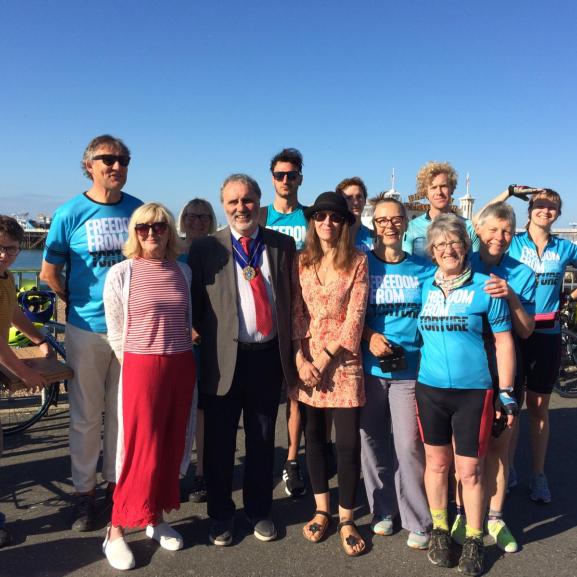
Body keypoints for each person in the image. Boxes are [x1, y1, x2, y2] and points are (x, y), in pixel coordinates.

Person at [40, 135, 142, 530]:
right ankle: (84, 494)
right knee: (85, 416)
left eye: (123, 159)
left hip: (132, 330)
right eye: (108, 160)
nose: (116, 166)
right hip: (86, 330)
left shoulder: (137, 210)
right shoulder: (70, 213)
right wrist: (79, 302)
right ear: (89, 165)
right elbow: (49, 273)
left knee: (122, 413)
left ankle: (117, 485)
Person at [189, 173, 297, 546]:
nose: (241, 208)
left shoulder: (282, 245)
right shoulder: (206, 249)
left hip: (266, 358)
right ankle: (220, 515)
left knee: (263, 438)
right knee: (219, 444)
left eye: (247, 200)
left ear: (258, 201)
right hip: (221, 360)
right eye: (233, 201)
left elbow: (292, 300)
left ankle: (259, 510)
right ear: (224, 205)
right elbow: (193, 308)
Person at [416, 214, 515, 576]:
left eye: (455, 243)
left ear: (466, 246)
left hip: (474, 392)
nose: (448, 249)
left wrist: (506, 392)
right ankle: (441, 529)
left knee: (470, 470)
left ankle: (474, 537)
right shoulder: (423, 286)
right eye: (440, 245)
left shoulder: (486, 287)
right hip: (429, 390)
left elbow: (504, 342)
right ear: (432, 251)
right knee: (437, 465)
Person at [101, 203, 195, 570]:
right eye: (143, 228)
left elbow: (186, 320)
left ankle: (154, 517)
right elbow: (115, 332)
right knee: (137, 447)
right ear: (134, 233)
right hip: (141, 365)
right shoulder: (121, 273)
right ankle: (117, 528)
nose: (151, 233)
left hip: (181, 363)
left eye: (159, 227)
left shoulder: (182, 271)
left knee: (171, 443)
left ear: (170, 231)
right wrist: (139, 366)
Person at [449, 202, 535, 554]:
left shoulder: (522, 272)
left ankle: (496, 517)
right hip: (465, 366)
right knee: (464, 449)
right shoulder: (460, 264)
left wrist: (510, 295)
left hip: (504, 364)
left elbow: (527, 330)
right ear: (478, 231)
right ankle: (460, 513)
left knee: (499, 448)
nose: (499, 237)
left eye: (507, 231)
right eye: (493, 229)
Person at [291, 192, 369, 557]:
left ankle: (348, 517)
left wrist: (324, 359)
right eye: (320, 216)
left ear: (344, 223)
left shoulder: (357, 262)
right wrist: (299, 360)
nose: (327, 222)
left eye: (335, 217)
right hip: (307, 363)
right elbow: (294, 313)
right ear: (313, 222)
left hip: (342, 362)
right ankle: (322, 509)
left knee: (348, 443)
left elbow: (356, 317)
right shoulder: (301, 262)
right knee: (315, 438)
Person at [359, 194, 434, 549]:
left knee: (408, 444)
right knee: (370, 441)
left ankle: (416, 516)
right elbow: (344, 316)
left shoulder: (424, 268)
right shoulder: (361, 265)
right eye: (382, 220)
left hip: (410, 368)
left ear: (405, 224)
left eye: (395, 219)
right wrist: (369, 336)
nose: (389, 226)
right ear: (373, 225)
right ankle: (382, 510)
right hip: (368, 368)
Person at [505, 188, 577, 504]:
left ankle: (538, 474)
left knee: (538, 408)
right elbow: (480, 227)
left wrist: (569, 299)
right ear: (530, 208)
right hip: (513, 332)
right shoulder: (512, 242)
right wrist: (507, 193)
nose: (545, 210)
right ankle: (506, 469)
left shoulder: (564, 247)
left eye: (552, 207)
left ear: (558, 214)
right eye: (540, 205)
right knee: (510, 408)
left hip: (546, 333)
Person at [0, 216, 54, 548]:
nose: (5, 255)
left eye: (12, 249)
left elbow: (14, 314)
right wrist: (27, 373)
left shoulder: (5, 278)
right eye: (0, 247)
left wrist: (36, 338)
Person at [259, 148, 308, 498]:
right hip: (266, 316)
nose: (286, 180)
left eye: (291, 175)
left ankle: (292, 460)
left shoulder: (312, 218)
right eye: (280, 175)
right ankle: (261, 459)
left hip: (304, 315)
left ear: (300, 179)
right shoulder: (259, 217)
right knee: (262, 396)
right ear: (272, 178)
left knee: (298, 393)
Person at [177, 197, 217, 503]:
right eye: (191, 216)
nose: (197, 221)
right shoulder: (172, 252)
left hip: (210, 341)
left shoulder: (219, 251)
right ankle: (176, 472)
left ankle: (202, 472)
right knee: (176, 410)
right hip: (176, 341)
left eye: (204, 216)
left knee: (203, 411)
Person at [403, 161, 479, 258]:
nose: (439, 192)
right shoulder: (411, 227)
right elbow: (406, 263)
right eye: (433, 187)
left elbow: (476, 263)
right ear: (425, 192)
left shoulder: (468, 227)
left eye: (443, 186)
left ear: (452, 189)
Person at [336, 176, 373, 252]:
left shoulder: (373, 235)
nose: (355, 202)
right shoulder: (333, 235)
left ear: (365, 201)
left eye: (359, 197)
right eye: (349, 198)